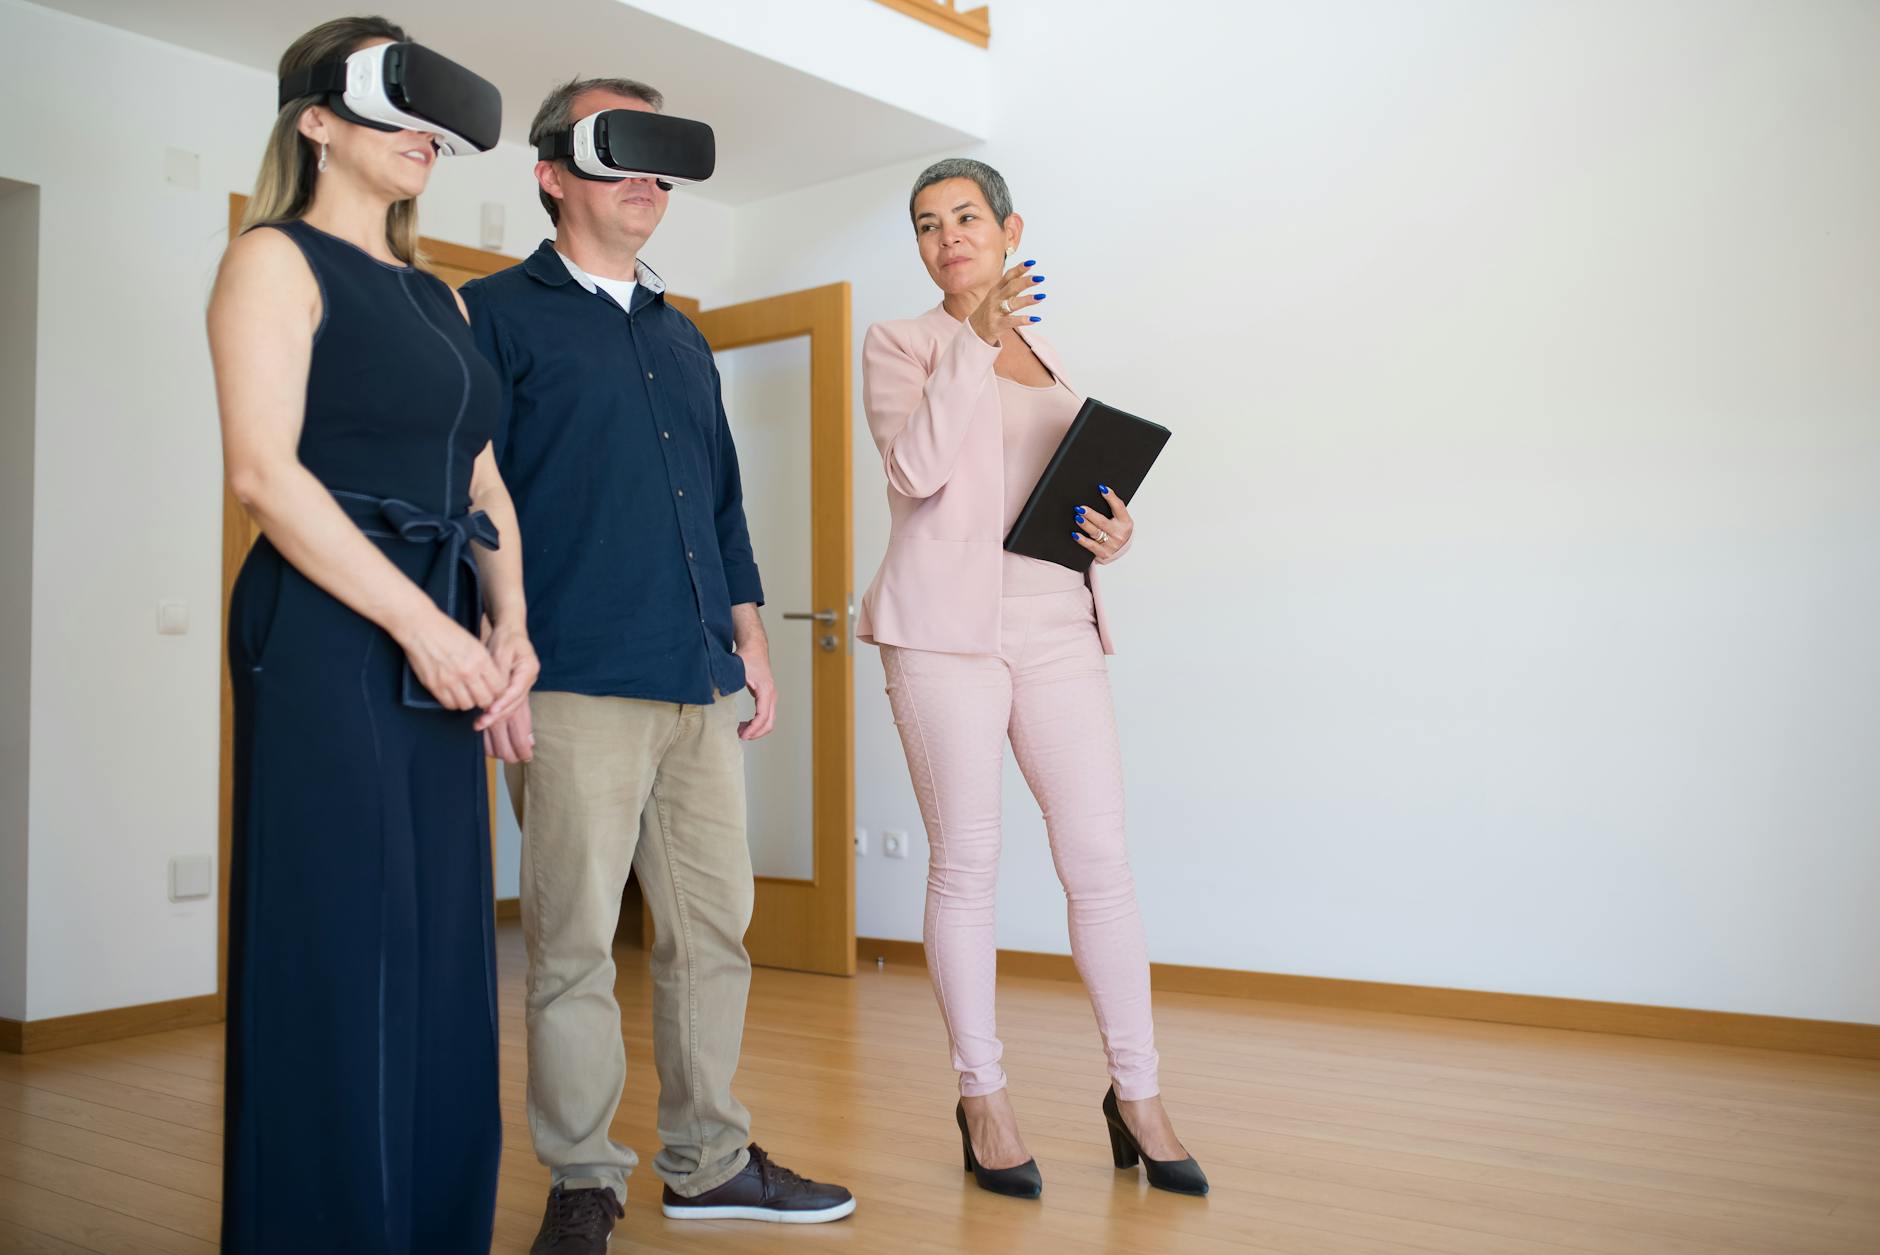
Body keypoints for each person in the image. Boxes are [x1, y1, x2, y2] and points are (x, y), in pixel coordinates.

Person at [462, 77, 855, 1255]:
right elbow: (468, 500)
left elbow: (721, 500)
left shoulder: (682, 334)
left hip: (693, 679)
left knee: (711, 933)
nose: (648, 180)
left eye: (661, 162)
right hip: (572, 676)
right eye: (617, 153)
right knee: (576, 942)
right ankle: (584, 1175)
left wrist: (750, 631)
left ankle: (710, 1161)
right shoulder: (493, 318)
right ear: (550, 173)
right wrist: (496, 647)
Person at [208, 16, 537, 1252]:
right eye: (397, 118)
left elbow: (485, 484)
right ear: (317, 122)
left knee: (444, 941)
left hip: (442, 620)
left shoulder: (439, 292)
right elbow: (263, 475)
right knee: (342, 933)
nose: (427, 144)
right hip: (331, 627)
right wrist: (421, 625)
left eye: (435, 130)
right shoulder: (270, 263)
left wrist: (509, 631)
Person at [858, 157, 1209, 1198]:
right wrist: (968, 344)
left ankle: (1136, 1092)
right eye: (926, 225)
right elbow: (915, 473)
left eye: (965, 216)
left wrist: (1113, 530)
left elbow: (1045, 493)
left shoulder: (1048, 352)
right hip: (943, 636)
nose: (946, 236)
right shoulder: (902, 344)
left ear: (1010, 229)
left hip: (1056, 622)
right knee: (966, 863)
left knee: (1098, 860)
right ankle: (982, 1097)